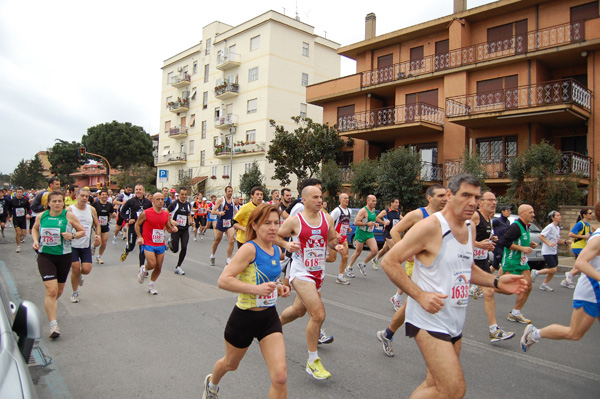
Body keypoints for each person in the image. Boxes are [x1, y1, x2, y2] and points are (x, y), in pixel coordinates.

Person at [380, 173, 527, 398]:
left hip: (455, 322)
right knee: (454, 389)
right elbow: (389, 261)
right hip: (428, 320)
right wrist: (419, 296)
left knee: (435, 385)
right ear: (449, 195)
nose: (472, 202)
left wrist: (495, 281)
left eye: (476, 197)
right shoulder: (431, 226)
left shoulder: (469, 227)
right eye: (466, 195)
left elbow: (466, 268)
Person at [203, 204, 291, 399]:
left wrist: (278, 287)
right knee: (230, 364)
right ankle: (212, 384)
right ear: (255, 225)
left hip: (269, 318)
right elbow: (223, 281)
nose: (273, 227)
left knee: (280, 377)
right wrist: (256, 289)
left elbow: (267, 280)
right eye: (267, 223)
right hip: (244, 318)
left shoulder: (275, 250)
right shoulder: (249, 249)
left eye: (276, 223)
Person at [276, 186, 343, 380]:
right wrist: (287, 244)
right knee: (318, 314)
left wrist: (335, 245)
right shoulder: (295, 221)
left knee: (298, 311)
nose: (319, 200)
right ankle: (312, 361)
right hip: (301, 273)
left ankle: (273, 325)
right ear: (304, 200)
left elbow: (329, 239)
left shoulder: (327, 219)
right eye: (315, 197)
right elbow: (276, 236)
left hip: (318, 273)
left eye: (321, 197)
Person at [375, 184, 447, 357]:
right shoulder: (417, 214)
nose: (445, 199)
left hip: (437, 267)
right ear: (430, 198)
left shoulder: (446, 217)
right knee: (421, 303)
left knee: (413, 304)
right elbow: (395, 230)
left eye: (446, 196)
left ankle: (388, 334)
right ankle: (437, 349)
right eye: (441, 196)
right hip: (417, 265)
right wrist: (404, 252)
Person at [521, 202, 600, 353]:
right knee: (574, 333)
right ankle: (534, 333)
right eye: (557, 215)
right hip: (591, 292)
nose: (560, 216)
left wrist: (562, 242)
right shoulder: (598, 238)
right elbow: (581, 262)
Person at [31, 190, 86, 338]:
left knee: (59, 291)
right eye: (54, 201)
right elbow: (35, 229)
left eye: (59, 201)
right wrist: (36, 241)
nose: (57, 204)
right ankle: (53, 326)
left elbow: (82, 231)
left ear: (63, 202)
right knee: (52, 290)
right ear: (48, 203)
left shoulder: (68, 216)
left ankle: (50, 305)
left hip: (64, 256)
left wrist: (72, 235)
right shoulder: (42, 216)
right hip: (45, 256)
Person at [470, 191, 514, 343]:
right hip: (467, 261)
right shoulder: (475, 216)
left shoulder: (489, 218)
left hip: (481, 261)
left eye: (495, 200)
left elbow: (479, 236)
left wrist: (490, 239)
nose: (494, 203)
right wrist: (480, 244)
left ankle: (493, 330)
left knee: (489, 293)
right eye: (490, 200)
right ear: (480, 203)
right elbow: (461, 237)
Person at [498, 204, 539, 324]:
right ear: (522, 214)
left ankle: (515, 313)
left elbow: (518, 239)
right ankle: (486, 287)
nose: (533, 215)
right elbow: (504, 241)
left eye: (533, 212)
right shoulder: (515, 226)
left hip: (522, 262)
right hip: (512, 261)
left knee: (527, 286)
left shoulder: (525, 226)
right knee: (507, 288)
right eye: (530, 212)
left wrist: (529, 243)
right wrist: (521, 248)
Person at [135, 192, 178, 295]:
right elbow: (137, 225)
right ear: (153, 201)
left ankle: (151, 285)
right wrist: (140, 237)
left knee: (159, 266)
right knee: (152, 264)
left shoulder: (165, 214)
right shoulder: (146, 213)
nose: (160, 201)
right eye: (158, 199)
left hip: (160, 243)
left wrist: (173, 228)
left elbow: (168, 228)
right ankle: (144, 269)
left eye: (162, 199)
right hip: (148, 242)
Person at [69, 188, 101, 304]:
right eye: (82, 196)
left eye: (86, 196)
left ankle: (79, 276)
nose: (84, 198)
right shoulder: (70, 210)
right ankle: (74, 292)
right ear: (77, 196)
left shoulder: (91, 210)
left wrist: (97, 235)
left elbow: (97, 225)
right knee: (75, 268)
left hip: (85, 244)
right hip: (72, 244)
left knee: (86, 270)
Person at [532, 211, 572, 291]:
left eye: (559, 215)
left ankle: (544, 284)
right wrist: (549, 243)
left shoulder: (557, 228)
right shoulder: (550, 227)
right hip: (547, 251)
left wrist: (565, 242)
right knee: (553, 269)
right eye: (557, 215)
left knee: (553, 270)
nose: (559, 216)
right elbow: (541, 236)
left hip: (554, 251)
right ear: (552, 218)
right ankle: (536, 272)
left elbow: (557, 240)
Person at [346, 194, 379, 278]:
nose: (375, 202)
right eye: (373, 201)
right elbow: (356, 222)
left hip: (369, 233)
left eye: (375, 200)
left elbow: (371, 220)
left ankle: (363, 264)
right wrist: (367, 224)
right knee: (358, 252)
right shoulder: (363, 211)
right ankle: (349, 267)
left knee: (375, 250)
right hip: (361, 232)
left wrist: (375, 224)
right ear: (368, 201)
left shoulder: (373, 210)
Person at [119, 184, 153, 266]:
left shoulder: (148, 202)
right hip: (133, 226)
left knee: (142, 247)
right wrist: (128, 219)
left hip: (144, 227)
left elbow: (151, 213)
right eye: (136, 189)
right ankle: (127, 250)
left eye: (140, 189)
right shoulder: (131, 201)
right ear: (135, 191)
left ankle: (141, 267)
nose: (138, 191)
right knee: (131, 246)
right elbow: (122, 212)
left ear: (143, 191)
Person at [562, 208, 595, 288]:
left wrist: (594, 232)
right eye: (590, 213)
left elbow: (588, 237)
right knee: (583, 264)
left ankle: (566, 281)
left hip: (583, 247)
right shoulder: (580, 224)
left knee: (579, 265)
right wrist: (584, 236)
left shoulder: (588, 225)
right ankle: (569, 275)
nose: (592, 215)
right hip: (578, 247)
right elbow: (571, 234)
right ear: (584, 215)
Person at [327, 193, 352, 285]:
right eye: (345, 198)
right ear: (340, 200)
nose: (347, 200)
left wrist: (348, 227)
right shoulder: (337, 211)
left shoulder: (349, 211)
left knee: (345, 256)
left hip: (343, 237)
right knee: (332, 258)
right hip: (334, 238)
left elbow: (345, 222)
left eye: (348, 198)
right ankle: (318, 258)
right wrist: (336, 233)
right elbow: (329, 223)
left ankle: (340, 277)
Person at [167, 187, 193, 275]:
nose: (184, 196)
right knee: (175, 250)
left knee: (184, 247)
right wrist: (171, 221)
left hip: (185, 229)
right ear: (179, 195)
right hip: (176, 229)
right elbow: (166, 213)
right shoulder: (175, 204)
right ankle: (170, 242)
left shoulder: (188, 205)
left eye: (185, 194)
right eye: (182, 194)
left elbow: (189, 214)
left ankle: (178, 266)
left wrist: (190, 221)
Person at [210, 186, 237, 266]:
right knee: (217, 240)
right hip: (221, 222)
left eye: (231, 191)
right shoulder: (221, 200)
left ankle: (228, 259)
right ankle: (213, 255)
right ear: (225, 192)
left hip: (229, 222)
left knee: (231, 240)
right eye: (229, 191)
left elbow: (235, 211)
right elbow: (212, 212)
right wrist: (219, 213)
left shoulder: (233, 201)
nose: (230, 193)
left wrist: (238, 217)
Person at [372, 199, 402, 269]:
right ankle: (391, 264)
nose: (398, 204)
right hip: (387, 232)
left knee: (385, 249)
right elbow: (377, 218)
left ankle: (375, 259)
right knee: (393, 248)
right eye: (396, 202)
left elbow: (401, 218)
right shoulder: (386, 211)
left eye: (398, 203)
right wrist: (384, 223)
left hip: (394, 232)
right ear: (392, 203)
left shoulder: (398, 211)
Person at [91, 189, 116, 264]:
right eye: (103, 194)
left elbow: (112, 213)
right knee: (98, 242)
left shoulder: (109, 205)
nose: (104, 196)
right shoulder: (95, 204)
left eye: (106, 195)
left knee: (104, 242)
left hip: (105, 225)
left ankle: (99, 257)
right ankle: (93, 246)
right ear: (100, 196)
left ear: (108, 196)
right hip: (96, 225)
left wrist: (114, 215)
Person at [9, 187, 31, 253]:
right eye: (18, 192)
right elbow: (9, 209)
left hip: (23, 218)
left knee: (23, 233)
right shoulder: (12, 200)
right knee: (18, 232)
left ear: (22, 193)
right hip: (16, 218)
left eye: (20, 192)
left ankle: (20, 237)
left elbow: (29, 208)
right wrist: (10, 216)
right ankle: (18, 246)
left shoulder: (25, 200)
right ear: (16, 193)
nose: (19, 193)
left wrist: (28, 214)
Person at [491, 205, 512, 271]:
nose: (509, 212)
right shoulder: (497, 221)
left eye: (510, 211)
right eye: (507, 211)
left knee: (495, 265)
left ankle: (485, 278)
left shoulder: (508, 222)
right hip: (497, 245)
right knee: (504, 261)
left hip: (504, 245)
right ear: (502, 212)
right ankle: (501, 279)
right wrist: (492, 236)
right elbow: (489, 228)